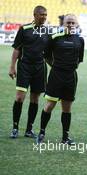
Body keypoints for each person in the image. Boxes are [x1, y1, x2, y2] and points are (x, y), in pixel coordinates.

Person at [36, 14, 84, 144]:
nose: (70, 25)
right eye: (68, 22)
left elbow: (79, 59)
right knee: (50, 105)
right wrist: (56, 67)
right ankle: (41, 132)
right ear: (63, 24)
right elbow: (46, 56)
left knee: (67, 107)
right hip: (56, 75)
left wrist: (69, 68)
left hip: (71, 76)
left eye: (73, 23)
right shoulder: (54, 37)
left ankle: (65, 137)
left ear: (76, 24)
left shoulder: (80, 40)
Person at [8, 6, 48, 138]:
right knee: (20, 97)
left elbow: (49, 53)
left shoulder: (47, 31)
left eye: (45, 15)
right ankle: (15, 128)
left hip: (39, 68)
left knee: (35, 99)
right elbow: (17, 49)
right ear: (35, 15)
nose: (44, 17)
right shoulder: (24, 29)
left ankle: (29, 129)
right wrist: (12, 66)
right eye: (41, 14)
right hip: (24, 66)